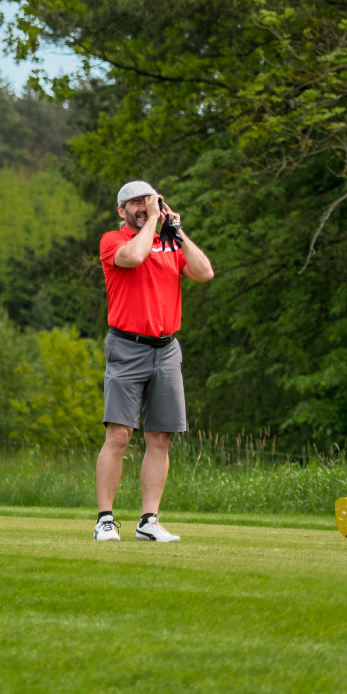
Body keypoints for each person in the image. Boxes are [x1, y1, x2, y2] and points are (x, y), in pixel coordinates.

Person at [94, 179, 215, 543]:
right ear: (121, 211)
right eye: (135, 203)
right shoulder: (113, 240)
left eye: (149, 201)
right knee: (119, 434)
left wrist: (177, 231)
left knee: (160, 437)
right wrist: (151, 222)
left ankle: (149, 521)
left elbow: (204, 272)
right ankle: (105, 520)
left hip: (166, 349)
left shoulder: (168, 242)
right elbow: (134, 257)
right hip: (126, 346)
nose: (143, 207)